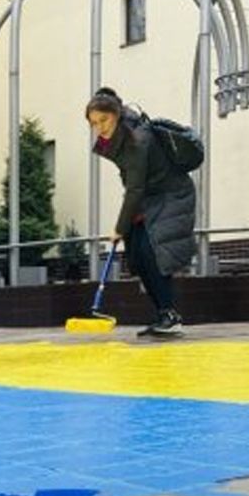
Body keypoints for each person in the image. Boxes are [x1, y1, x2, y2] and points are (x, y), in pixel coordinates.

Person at [86, 87, 197, 336]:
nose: (100, 127)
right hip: (148, 197)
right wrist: (127, 223)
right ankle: (162, 315)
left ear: (116, 114)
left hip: (172, 195)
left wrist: (119, 228)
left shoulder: (138, 140)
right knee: (136, 255)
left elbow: (134, 189)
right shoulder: (120, 139)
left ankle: (170, 315)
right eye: (94, 123)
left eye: (104, 120)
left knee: (153, 252)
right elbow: (134, 187)